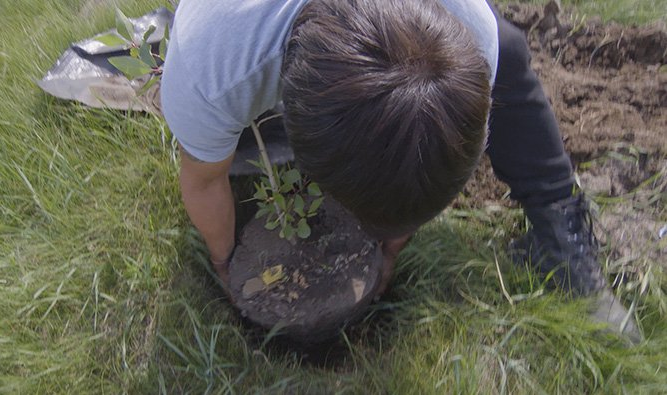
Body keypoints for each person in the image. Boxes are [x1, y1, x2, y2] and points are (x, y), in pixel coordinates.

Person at [160, 0, 642, 343]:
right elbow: (203, 178)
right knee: (233, 146)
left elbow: (428, 169)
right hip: (252, 47)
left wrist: (394, 238)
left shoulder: (471, 36)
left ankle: (559, 233)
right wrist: (224, 260)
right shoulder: (211, 61)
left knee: (510, 51)